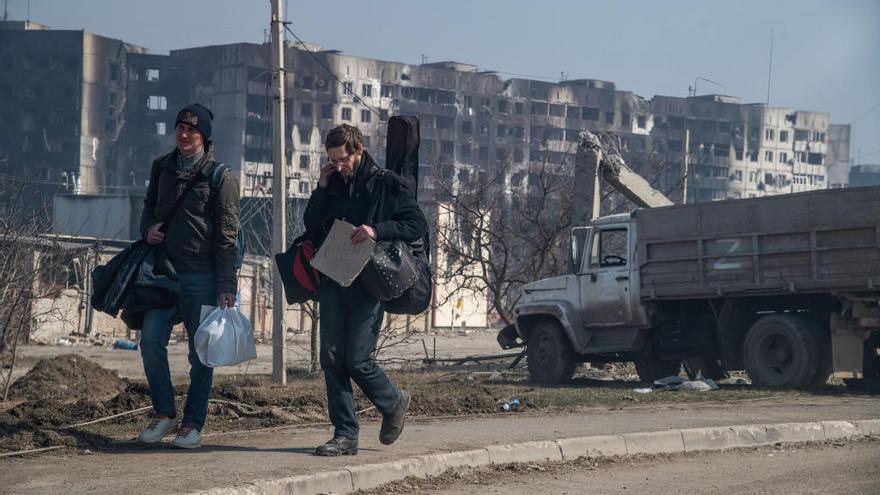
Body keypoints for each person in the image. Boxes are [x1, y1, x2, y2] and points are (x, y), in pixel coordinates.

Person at [304, 124, 428, 456]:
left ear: (359, 150)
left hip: (368, 283)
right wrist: (321, 187)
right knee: (331, 359)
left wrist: (377, 229)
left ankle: (393, 400)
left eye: (342, 160)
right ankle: (345, 434)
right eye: (332, 161)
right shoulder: (332, 182)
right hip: (333, 277)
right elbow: (311, 225)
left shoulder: (387, 183)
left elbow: (417, 224)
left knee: (356, 359)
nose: (338, 166)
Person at [136, 103, 241, 449]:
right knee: (151, 340)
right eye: (179, 128)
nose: (183, 135)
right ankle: (164, 414)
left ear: (204, 136)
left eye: (191, 130)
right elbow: (148, 208)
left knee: (202, 356)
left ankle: (192, 425)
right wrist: (148, 228)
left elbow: (227, 234)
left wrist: (227, 285)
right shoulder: (162, 167)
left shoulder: (221, 178)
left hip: (203, 278)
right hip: (163, 273)